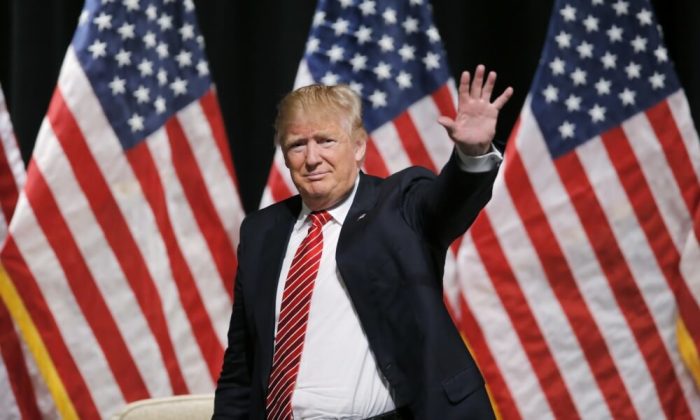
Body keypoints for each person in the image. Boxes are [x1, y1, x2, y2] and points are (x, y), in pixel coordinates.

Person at [213, 65, 513, 420]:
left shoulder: (399, 203)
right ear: (284, 156)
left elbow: (448, 203)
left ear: (358, 147)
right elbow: (241, 368)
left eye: (325, 141)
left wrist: (472, 157)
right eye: (297, 145)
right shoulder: (261, 232)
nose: (311, 159)